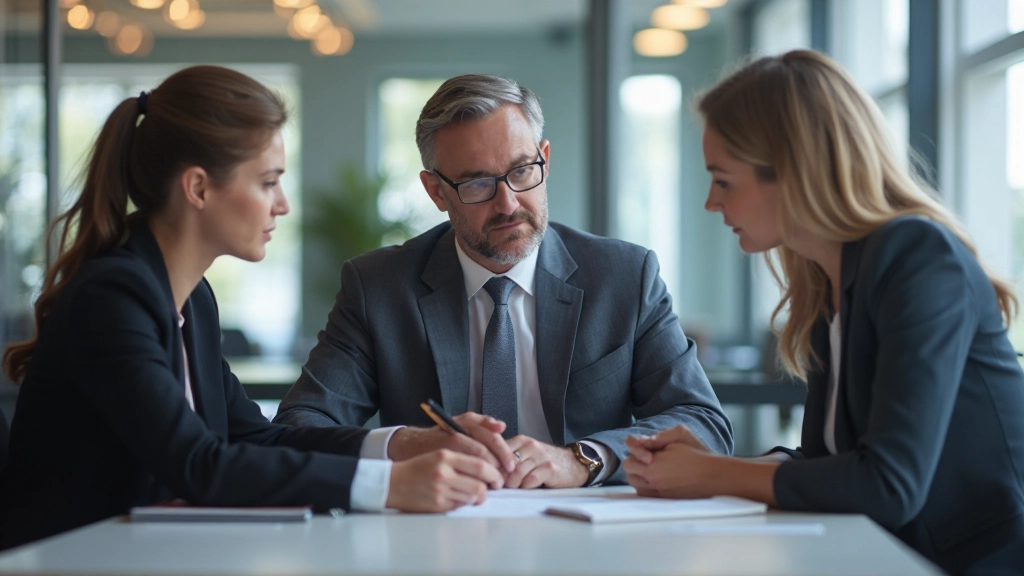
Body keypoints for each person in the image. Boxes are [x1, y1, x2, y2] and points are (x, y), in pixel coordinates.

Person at [0, 66, 502, 551]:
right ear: (198, 188)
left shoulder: (192, 298)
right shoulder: (111, 298)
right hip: (65, 560)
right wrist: (390, 485)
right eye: (267, 182)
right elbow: (200, 465)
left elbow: (256, 437)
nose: (282, 204)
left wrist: (402, 445)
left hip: (143, 554)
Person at [623, 50, 1024, 576]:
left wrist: (710, 474)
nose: (711, 203)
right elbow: (827, 464)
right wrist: (702, 465)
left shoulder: (918, 258)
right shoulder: (826, 282)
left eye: (724, 181)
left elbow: (887, 486)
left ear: (793, 173)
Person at [274, 74, 733, 488]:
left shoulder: (624, 276)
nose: (508, 204)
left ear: (544, 159)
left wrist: (586, 458)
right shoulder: (378, 287)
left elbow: (702, 424)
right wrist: (406, 445)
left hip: (588, 528)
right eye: (477, 183)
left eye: (521, 171)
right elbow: (297, 428)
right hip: (433, 527)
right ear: (436, 191)